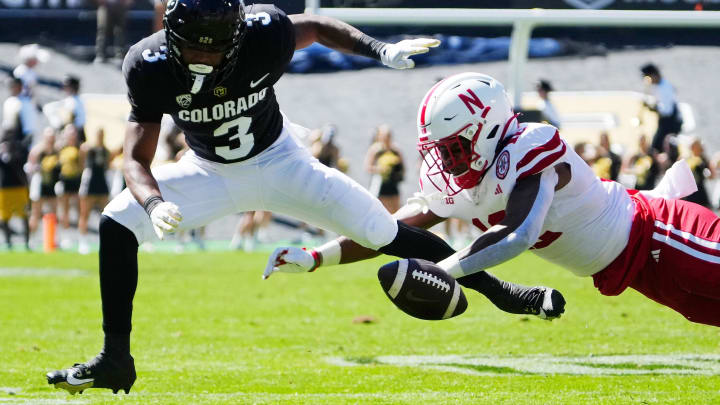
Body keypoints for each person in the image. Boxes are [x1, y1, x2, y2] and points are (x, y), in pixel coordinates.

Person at [45, 0, 454, 394]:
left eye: (216, 47)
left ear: (239, 37)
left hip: (282, 163)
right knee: (118, 221)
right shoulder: (148, 63)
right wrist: (153, 204)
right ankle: (116, 357)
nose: (203, 58)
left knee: (381, 231)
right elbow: (135, 159)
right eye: (191, 46)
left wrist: (378, 49)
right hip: (209, 171)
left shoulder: (264, 31)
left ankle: (494, 286)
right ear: (169, 36)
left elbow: (314, 26)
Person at [265, 72, 720, 329]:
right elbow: (385, 230)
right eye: (440, 149)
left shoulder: (530, 146)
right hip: (633, 269)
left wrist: (441, 272)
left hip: (661, 232)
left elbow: (518, 234)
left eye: (454, 146)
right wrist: (315, 257)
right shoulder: (459, 180)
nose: (447, 158)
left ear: (486, 127)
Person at [78, 128, 114, 254]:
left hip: (102, 182)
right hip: (90, 182)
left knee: (106, 213)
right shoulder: (88, 149)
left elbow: (108, 164)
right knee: (85, 213)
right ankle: (83, 241)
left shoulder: (105, 151)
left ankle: (106, 241)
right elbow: (82, 160)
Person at [641, 63, 683, 154]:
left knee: (658, 147)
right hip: (665, 122)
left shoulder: (665, 88)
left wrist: (651, 107)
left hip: (670, 123)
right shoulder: (658, 86)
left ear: (654, 75)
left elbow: (666, 111)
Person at [0, 132, 30, 250]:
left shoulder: (19, 149)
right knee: (4, 216)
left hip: (19, 187)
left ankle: (26, 242)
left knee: (24, 215)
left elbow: (21, 161)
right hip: (4, 188)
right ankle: (8, 241)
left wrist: (10, 154)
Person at [365, 124, 404, 213]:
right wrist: (380, 169)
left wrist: (398, 173)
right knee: (379, 211)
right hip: (379, 186)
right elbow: (368, 167)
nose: (386, 139)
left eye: (388, 136)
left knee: (397, 211)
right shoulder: (375, 149)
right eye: (384, 136)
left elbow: (402, 167)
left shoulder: (396, 150)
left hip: (393, 185)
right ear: (379, 137)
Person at [56, 124, 83, 250]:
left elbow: (82, 165)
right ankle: (65, 236)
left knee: (78, 208)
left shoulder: (80, 147)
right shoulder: (60, 148)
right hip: (65, 180)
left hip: (76, 179)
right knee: (64, 209)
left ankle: (80, 236)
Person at [42, 75, 87, 143]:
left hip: (74, 136)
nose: (64, 88)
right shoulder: (78, 100)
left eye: (66, 86)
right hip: (77, 134)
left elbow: (69, 120)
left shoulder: (73, 101)